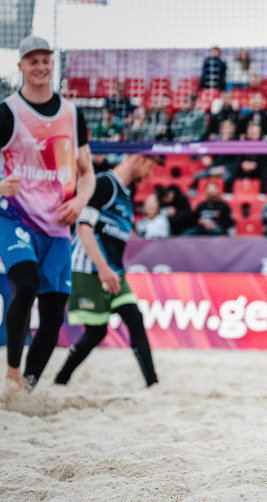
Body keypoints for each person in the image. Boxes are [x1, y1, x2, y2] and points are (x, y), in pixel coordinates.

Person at [0, 36, 96, 393]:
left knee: (54, 315)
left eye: (46, 60)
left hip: (58, 224)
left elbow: (87, 173)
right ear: (21, 66)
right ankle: (12, 369)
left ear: (52, 64)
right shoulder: (7, 111)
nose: (41, 67)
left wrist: (80, 201)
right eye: (33, 61)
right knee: (26, 286)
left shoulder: (72, 114)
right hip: (16, 218)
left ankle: (25, 388)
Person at [55, 154, 159, 387]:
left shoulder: (125, 193)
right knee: (96, 332)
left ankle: (153, 384)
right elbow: (83, 229)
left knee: (134, 318)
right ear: (137, 159)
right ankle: (61, 379)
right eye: (150, 167)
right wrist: (102, 267)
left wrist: (109, 268)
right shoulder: (104, 184)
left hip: (114, 271)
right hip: (88, 269)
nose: (149, 174)